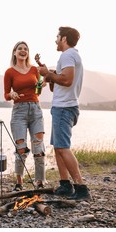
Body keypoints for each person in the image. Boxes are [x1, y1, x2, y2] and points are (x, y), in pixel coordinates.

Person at [38, 26, 91, 201]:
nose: (55, 39)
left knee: (63, 147)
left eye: (57, 36)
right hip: (63, 106)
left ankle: (81, 187)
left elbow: (67, 80)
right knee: (58, 147)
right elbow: (58, 85)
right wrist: (51, 75)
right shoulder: (71, 56)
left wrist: (48, 74)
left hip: (64, 108)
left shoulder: (67, 55)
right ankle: (65, 184)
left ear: (64, 39)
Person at [4, 41, 46, 191]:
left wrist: (41, 86)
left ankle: (40, 182)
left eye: (25, 49)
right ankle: (19, 182)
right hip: (19, 111)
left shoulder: (34, 70)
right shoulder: (9, 72)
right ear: (14, 53)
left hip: (35, 109)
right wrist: (12, 94)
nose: (23, 51)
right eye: (20, 49)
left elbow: (38, 92)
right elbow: (6, 94)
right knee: (21, 148)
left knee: (38, 146)